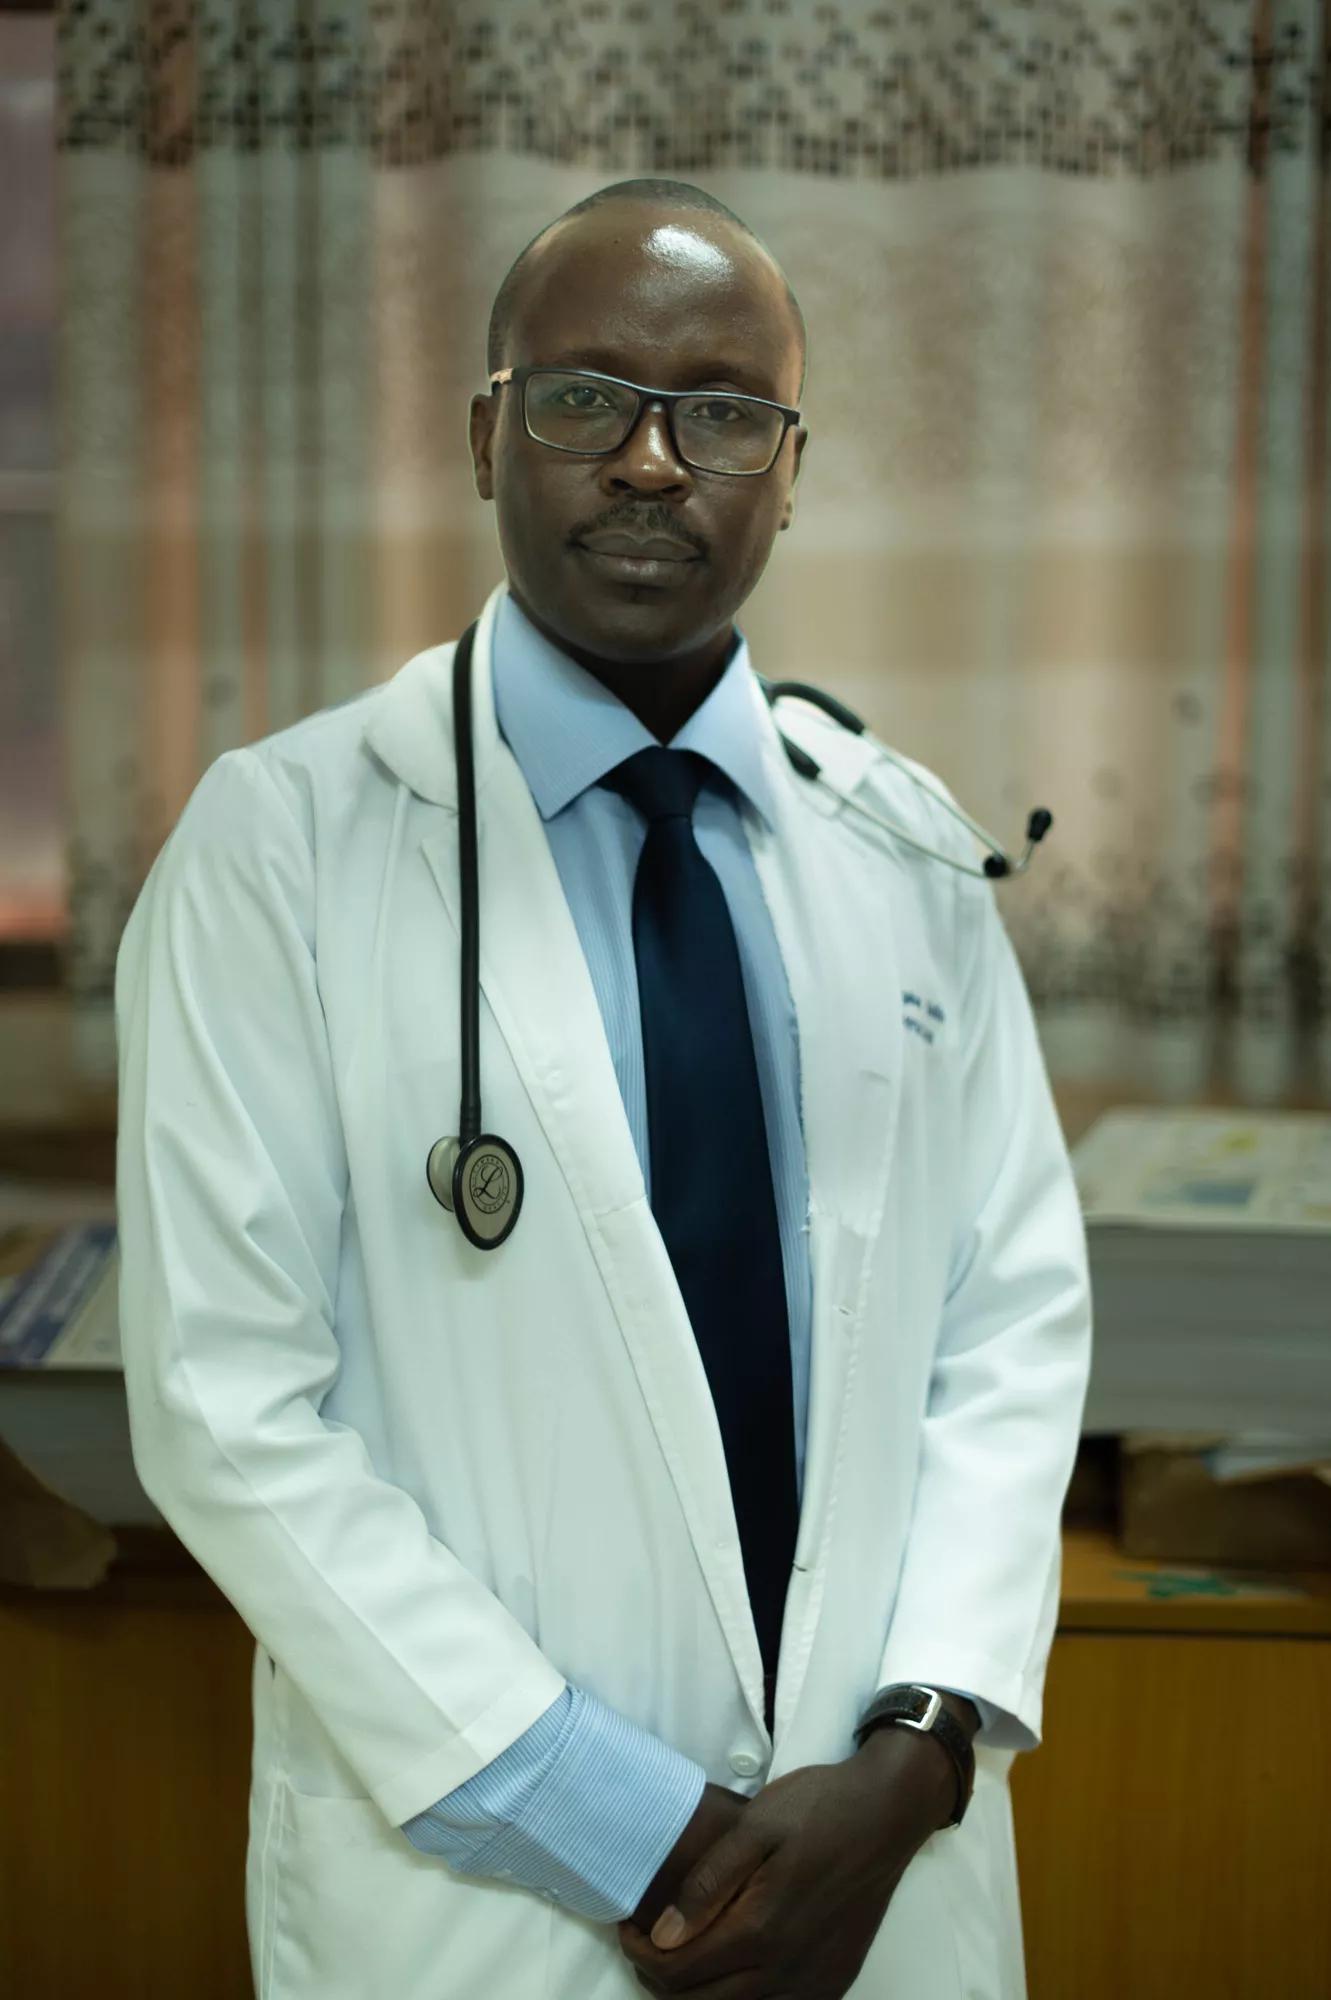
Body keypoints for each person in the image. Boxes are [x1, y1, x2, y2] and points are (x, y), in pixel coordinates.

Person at [114, 178, 1092, 2000]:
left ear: (789, 473)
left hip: (881, 1869)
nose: (654, 462)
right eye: (587, 399)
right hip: (492, 1888)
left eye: (725, 413)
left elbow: (1011, 1331)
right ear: (492, 431)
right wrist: (625, 1818)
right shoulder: (285, 848)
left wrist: (916, 1756)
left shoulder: (903, 856)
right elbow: (225, 1403)